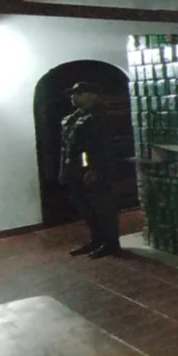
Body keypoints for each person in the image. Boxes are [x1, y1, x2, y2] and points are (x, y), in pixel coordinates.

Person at [59, 82, 120, 258]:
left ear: (91, 95)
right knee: (85, 207)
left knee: (102, 207)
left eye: (78, 93)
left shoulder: (99, 117)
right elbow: (66, 148)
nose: (73, 97)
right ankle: (96, 239)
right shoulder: (72, 118)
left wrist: (94, 169)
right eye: (73, 93)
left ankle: (111, 243)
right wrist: (64, 169)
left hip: (93, 169)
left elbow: (101, 147)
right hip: (75, 169)